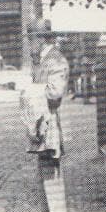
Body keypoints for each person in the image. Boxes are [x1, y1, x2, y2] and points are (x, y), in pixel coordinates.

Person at [25, 18, 69, 171]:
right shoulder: (41, 60)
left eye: (31, 39)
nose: (30, 43)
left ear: (42, 39)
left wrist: (30, 92)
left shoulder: (55, 60)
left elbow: (55, 93)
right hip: (41, 123)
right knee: (45, 171)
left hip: (49, 123)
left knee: (51, 175)